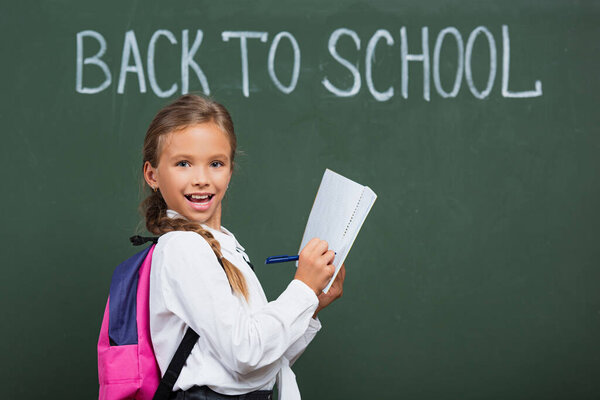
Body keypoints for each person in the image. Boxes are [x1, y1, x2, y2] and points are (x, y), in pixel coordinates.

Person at [140, 94, 346, 400]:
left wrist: (311, 304)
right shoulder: (184, 248)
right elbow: (246, 353)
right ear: (152, 175)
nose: (201, 179)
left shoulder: (224, 244)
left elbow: (262, 363)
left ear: (230, 170)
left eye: (215, 164)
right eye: (183, 163)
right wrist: (302, 288)